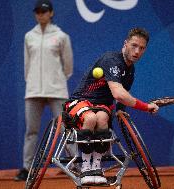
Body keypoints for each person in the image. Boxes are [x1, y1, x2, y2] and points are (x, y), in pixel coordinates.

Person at [64, 28, 159, 185]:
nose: (137, 51)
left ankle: (96, 167)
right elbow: (119, 94)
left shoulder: (130, 70)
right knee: (90, 117)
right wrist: (146, 107)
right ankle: (86, 168)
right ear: (125, 44)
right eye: (134, 45)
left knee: (101, 119)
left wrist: (121, 112)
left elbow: (122, 99)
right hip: (80, 101)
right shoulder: (111, 60)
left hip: (102, 106)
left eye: (141, 48)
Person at [14, 0, 73, 181]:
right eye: (38, 12)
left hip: (57, 90)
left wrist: (57, 80)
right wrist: (33, 82)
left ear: (51, 13)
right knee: (31, 131)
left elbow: (68, 66)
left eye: (44, 11)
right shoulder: (28, 36)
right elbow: (27, 65)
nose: (41, 14)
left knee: (65, 128)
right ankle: (27, 168)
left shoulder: (61, 36)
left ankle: (75, 164)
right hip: (33, 91)